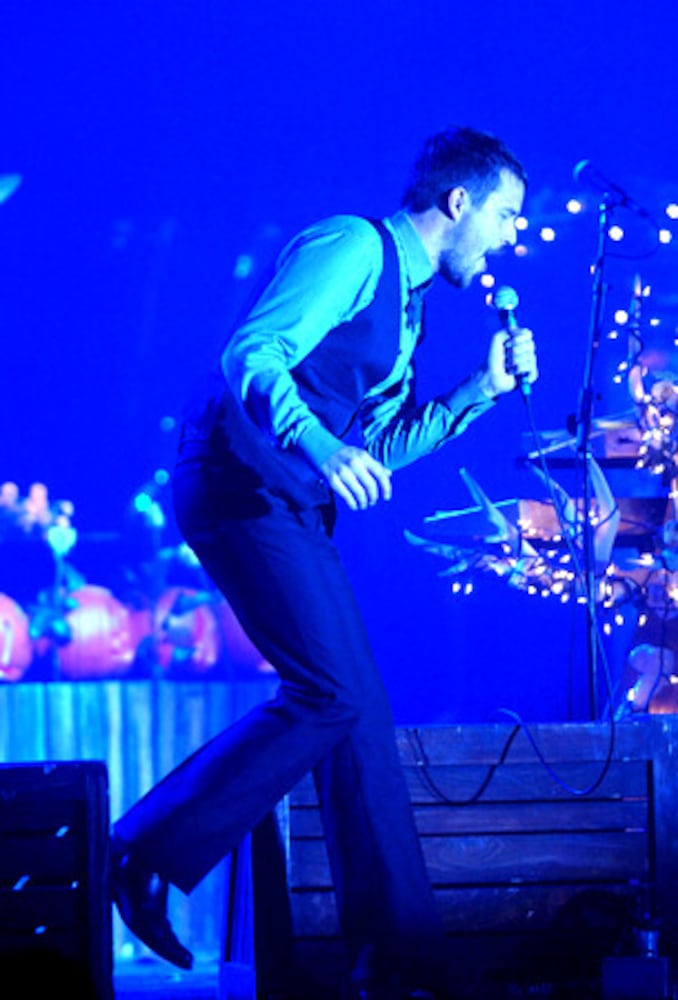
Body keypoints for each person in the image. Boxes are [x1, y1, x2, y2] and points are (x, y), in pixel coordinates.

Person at [111, 125, 538, 1000]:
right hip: (237, 481)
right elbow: (252, 353)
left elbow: (378, 448)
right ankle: (146, 847)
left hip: (288, 500)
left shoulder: (410, 305)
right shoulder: (350, 247)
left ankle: (398, 960)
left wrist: (479, 391)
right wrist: (318, 443)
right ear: (458, 202)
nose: (509, 236)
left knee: (358, 709)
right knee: (330, 694)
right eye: (505, 215)